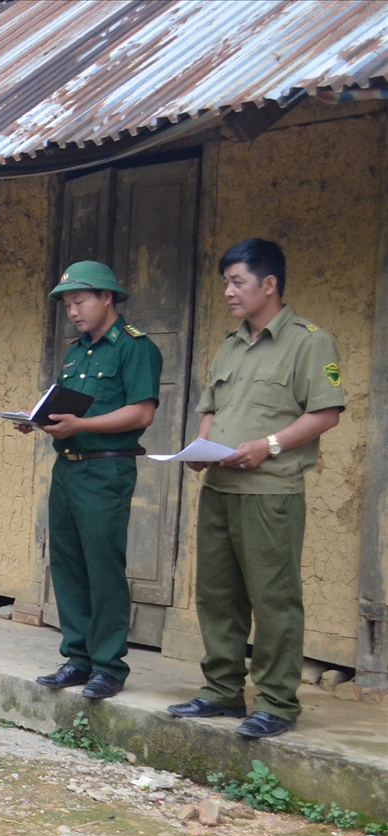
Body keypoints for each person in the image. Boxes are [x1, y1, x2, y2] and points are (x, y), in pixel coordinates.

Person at [169, 239, 345, 738]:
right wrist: (200, 447)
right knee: (217, 595)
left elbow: (325, 413)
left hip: (271, 493)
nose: (228, 291)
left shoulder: (310, 342)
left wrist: (267, 445)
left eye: (237, 281)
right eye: (226, 282)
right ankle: (222, 691)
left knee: (273, 599)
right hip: (220, 487)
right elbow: (210, 408)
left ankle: (275, 703)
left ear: (269, 285)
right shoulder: (230, 344)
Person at [21, 261, 161, 700]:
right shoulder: (77, 351)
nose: (74, 311)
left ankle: (108, 666)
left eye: (80, 301)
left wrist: (79, 426)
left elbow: (142, 412)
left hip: (106, 469)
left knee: (102, 566)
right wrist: (38, 420)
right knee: (67, 563)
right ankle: (77, 657)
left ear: (107, 297)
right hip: (68, 467)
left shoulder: (134, 348)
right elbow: (68, 405)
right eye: (67, 305)